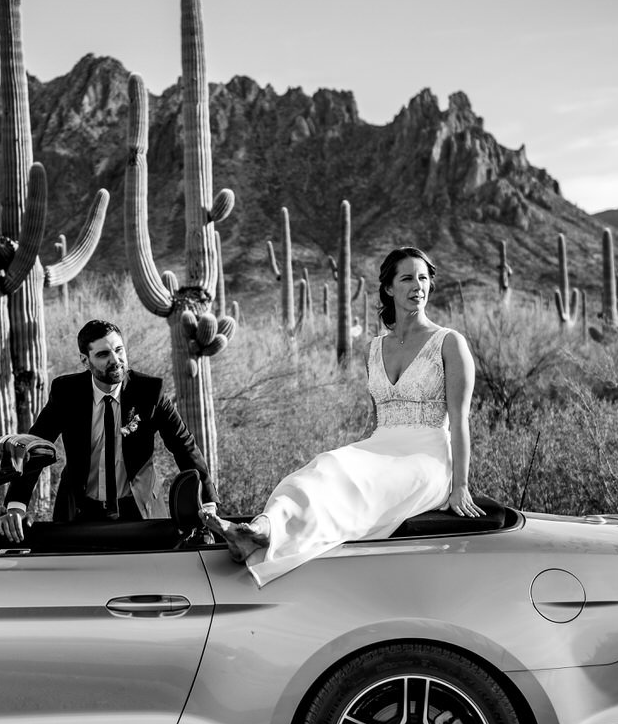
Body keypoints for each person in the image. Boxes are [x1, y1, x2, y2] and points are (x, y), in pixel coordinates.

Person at [205, 246, 483, 586]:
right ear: (390, 288)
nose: (417, 286)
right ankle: (261, 529)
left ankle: (268, 537)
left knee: (359, 485)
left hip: (428, 457)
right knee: (323, 468)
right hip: (382, 447)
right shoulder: (374, 348)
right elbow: (378, 418)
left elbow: (459, 420)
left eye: (423, 278)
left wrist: (461, 486)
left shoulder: (450, 343)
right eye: (407, 278)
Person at [0, 319, 217, 541]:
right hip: (80, 513)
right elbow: (35, 446)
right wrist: (16, 505)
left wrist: (207, 503)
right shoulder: (66, 392)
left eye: (119, 350)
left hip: (140, 511)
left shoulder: (149, 392)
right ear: (85, 360)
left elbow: (183, 445)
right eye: (103, 355)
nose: (116, 360)